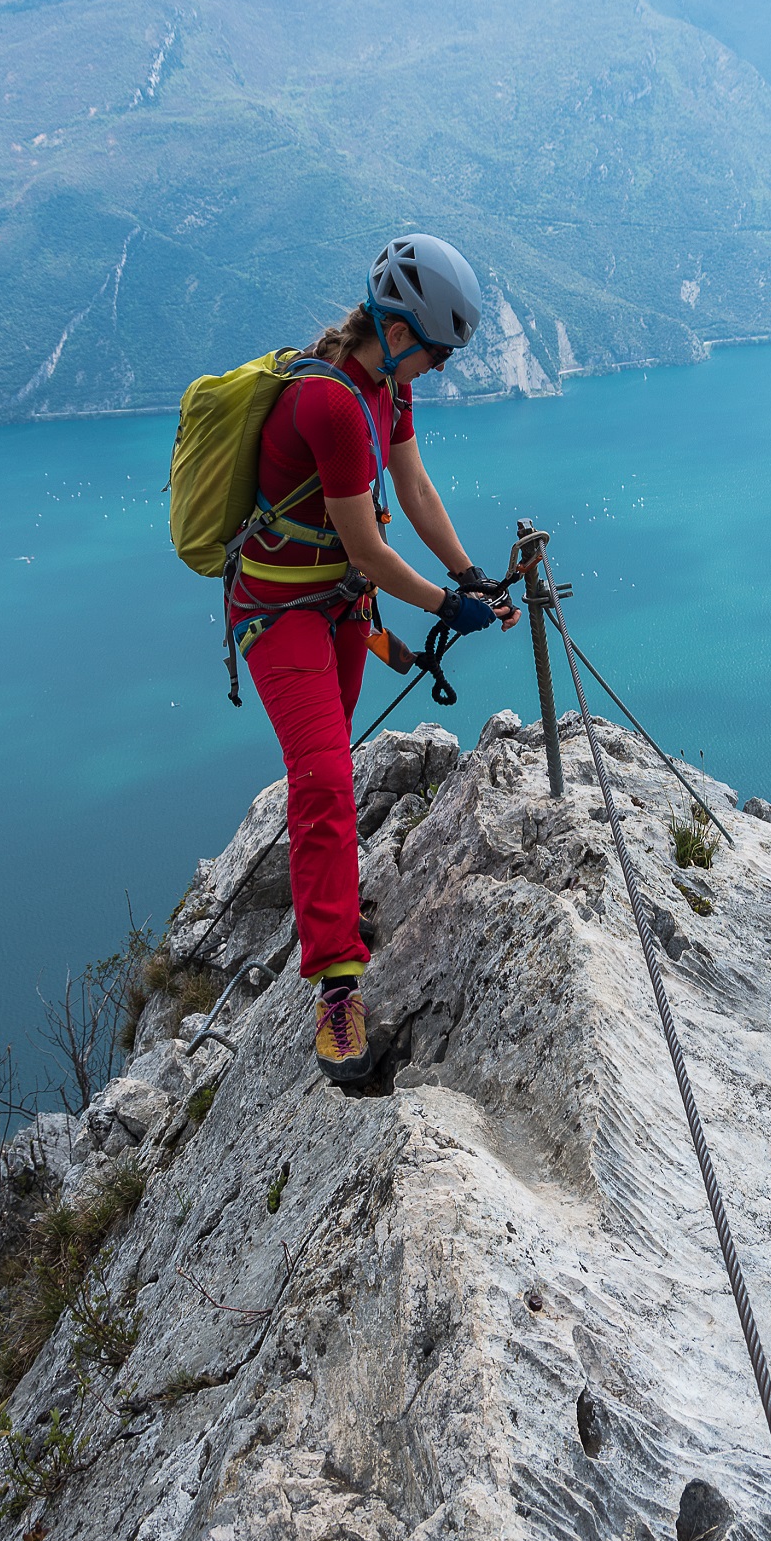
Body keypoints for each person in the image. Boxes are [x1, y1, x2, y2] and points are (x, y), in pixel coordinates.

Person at [229, 234, 520, 1081]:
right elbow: (366, 546)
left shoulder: (386, 393)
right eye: (432, 351)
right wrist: (447, 604)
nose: (434, 367)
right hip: (280, 613)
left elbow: (416, 490)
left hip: (340, 609)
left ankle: (333, 900)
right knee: (320, 776)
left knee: (335, 769)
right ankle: (336, 987)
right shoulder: (327, 403)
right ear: (394, 331)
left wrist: (470, 574)